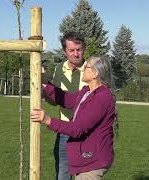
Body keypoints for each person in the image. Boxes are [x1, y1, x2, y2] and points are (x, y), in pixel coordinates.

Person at [31, 56, 116, 180]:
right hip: (86, 159)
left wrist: (48, 120)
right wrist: (44, 81)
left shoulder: (102, 97)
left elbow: (78, 129)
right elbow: (65, 98)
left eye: (86, 67)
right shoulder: (87, 91)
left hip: (93, 162)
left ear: (95, 73)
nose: (83, 69)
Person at [50, 32, 87, 180]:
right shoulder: (59, 69)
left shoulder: (92, 69)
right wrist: (44, 90)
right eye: (71, 50)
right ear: (65, 51)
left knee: (86, 174)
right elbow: (54, 101)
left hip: (87, 131)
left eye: (79, 49)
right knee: (62, 173)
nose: (76, 54)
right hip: (65, 130)